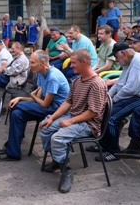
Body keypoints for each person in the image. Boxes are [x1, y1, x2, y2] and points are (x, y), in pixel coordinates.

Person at [39, 49, 107, 193]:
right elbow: (67, 102)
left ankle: (67, 172)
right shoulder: (77, 81)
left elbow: (93, 112)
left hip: (88, 124)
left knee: (57, 139)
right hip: (74, 118)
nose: (71, 66)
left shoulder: (96, 84)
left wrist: (70, 121)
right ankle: (58, 160)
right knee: (45, 127)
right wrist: (52, 118)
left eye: (74, 63)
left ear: (85, 62)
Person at [0, 50, 69, 161]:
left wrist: (28, 98)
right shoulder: (41, 73)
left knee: (16, 107)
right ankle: (13, 152)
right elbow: (36, 98)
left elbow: (44, 104)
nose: (30, 65)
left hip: (56, 110)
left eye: (33, 62)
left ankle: (14, 141)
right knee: (16, 113)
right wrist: (19, 98)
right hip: (46, 105)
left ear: (42, 63)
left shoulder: (52, 77)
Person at [93, 43, 140, 162]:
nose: (116, 60)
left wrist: (115, 99)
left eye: (116, 57)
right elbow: (120, 83)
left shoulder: (138, 62)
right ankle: (104, 144)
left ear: (123, 53)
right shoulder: (130, 61)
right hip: (136, 94)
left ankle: (113, 151)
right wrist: (108, 97)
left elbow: (132, 88)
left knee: (112, 117)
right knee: (106, 110)